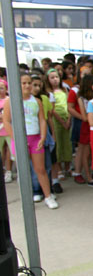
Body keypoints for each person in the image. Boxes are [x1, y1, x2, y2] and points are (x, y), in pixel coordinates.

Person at [3, 74, 58, 209]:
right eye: (24, 83)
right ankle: (27, 200)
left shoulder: (36, 101)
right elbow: (6, 121)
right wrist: (16, 139)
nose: (27, 86)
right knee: (24, 171)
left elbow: (42, 120)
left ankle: (48, 196)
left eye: (29, 83)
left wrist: (43, 136)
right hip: (20, 139)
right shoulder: (10, 101)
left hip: (35, 139)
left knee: (40, 169)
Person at [46, 68, 71, 193]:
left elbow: (69, 104)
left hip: (67, 117)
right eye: (52, 77)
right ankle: (59, 169)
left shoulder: (65, 89)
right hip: (57, 120)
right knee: (58, 145)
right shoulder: (48, 92)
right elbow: (52, 110)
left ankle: (68, 167)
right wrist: (61, 121)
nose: (55, 79)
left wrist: (68, 120)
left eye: (56, 77)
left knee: (67, 143)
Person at [0, 79, 12, 183]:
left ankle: (8, 171)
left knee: (9, 150)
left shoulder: (8, 100)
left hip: (7, 129)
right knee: (1, 151)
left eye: (2, 88)